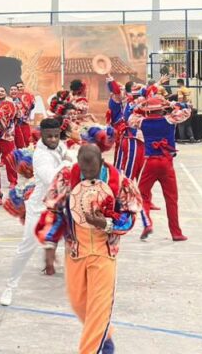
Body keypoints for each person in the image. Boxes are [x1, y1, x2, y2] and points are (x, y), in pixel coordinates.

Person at [37, 143, 143, 354]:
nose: (87, 175)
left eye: (92, 170)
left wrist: (107, 224)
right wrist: (50, 244)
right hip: (75, 251)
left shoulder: (119, 181)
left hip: (104, 252)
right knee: (78, 303)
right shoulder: (66, 177)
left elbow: (130, 217)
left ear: (102, 162)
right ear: (77, 162)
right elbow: (54, 211)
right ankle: (106, 337)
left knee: (99, 308)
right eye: (83, 170)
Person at [0, 117, 75, 306]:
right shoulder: (41, 156)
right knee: (25, 249)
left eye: (56, 135)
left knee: (77, 242)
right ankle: (10, 287)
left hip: (59, 206)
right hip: (39, 209)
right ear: (41, 135)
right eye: (49, 136)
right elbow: (52, 178)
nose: (53, 139)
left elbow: (70, 155)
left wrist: (74, 158)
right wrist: (68, 164)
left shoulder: (59, 145)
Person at [130, 95, 191, 241]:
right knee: (171, 199)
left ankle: (147, 223)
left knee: (143, 196)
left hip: (149, 162)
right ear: (162, 109)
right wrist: (171, 103)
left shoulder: (141, 121)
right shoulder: (170, 119)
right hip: (166, 162)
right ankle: (176, 233)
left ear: (148, 110)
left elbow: (130, 117)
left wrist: (139, 105)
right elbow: (187, 111)